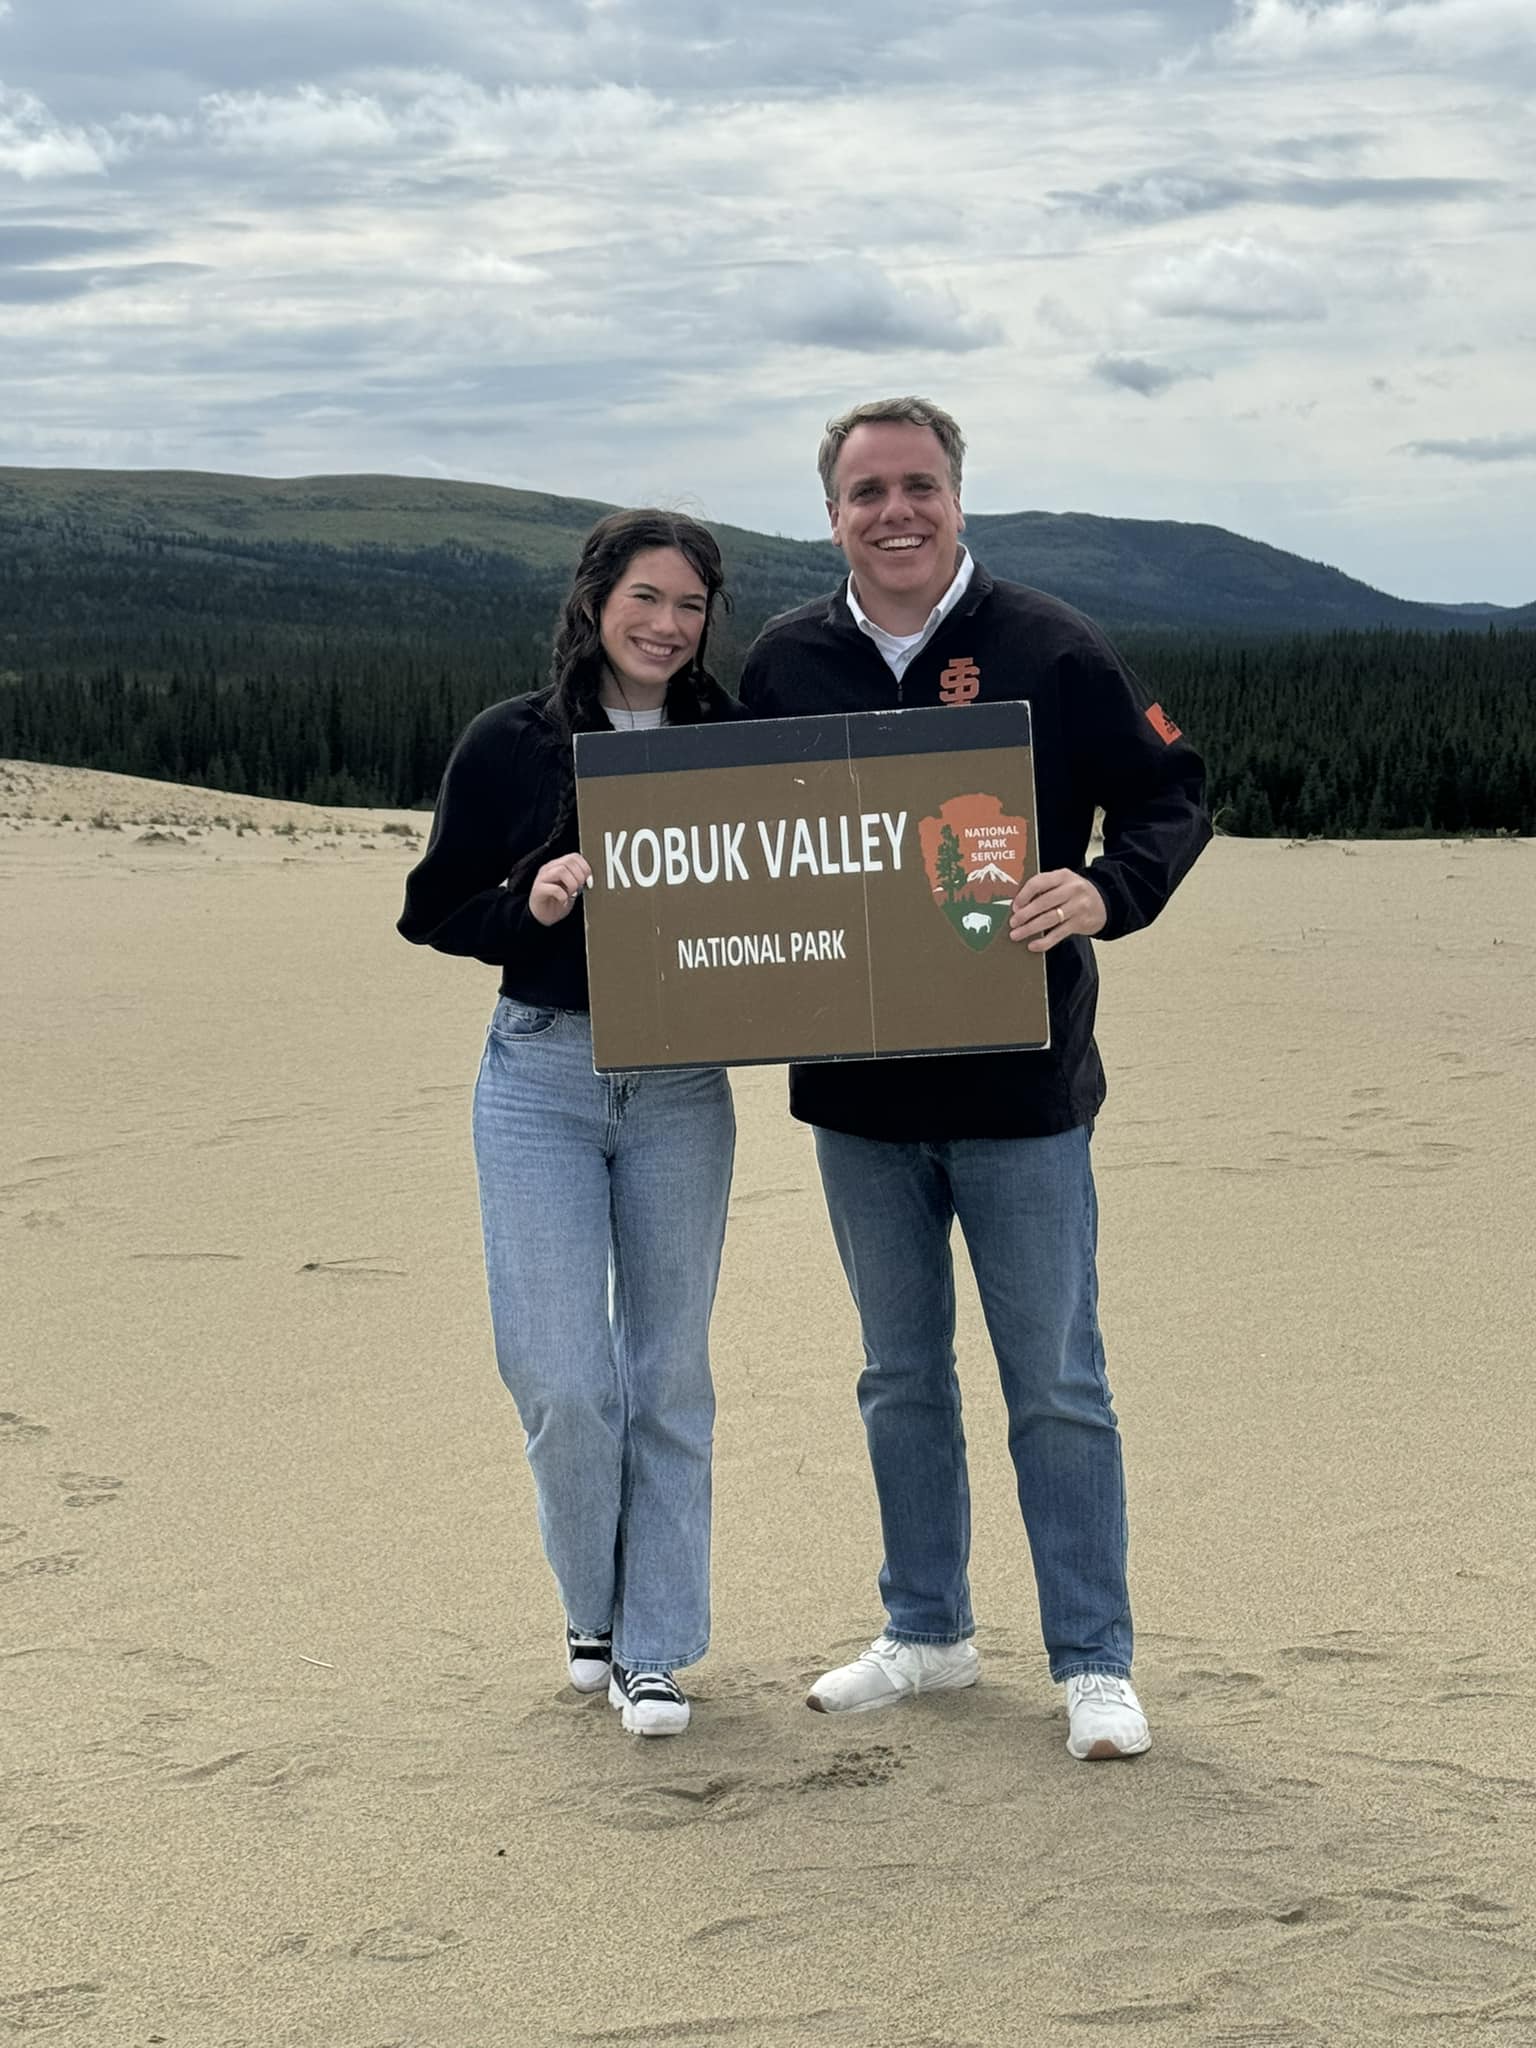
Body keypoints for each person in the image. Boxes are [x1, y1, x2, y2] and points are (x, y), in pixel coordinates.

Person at [738, 397, 1210, 1760]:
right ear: (832, 512)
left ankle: (1093, 1660)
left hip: (1021, 1096)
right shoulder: (786, 661)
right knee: (900, 1376)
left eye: (919, 485)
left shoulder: (1051, 646)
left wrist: (1109, 889)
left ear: (959, 496)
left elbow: (1173, 788)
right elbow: (704, 816)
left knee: (1055, 1377)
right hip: (861, 1102)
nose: (895, 511)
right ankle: (928, 1631)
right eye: (867, 491)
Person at [398, 509, 741, 1739]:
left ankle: (654, 1644)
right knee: (561, 1376)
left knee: (667, 1371)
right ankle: (590, 1604)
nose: (665, 624)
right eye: (646, 597)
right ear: (596, 600)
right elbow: (432, 909)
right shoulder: (513, 739)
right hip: (540, 1077)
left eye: (691, 605)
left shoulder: (731, 741)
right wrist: (527, 904)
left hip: (684, 1087)